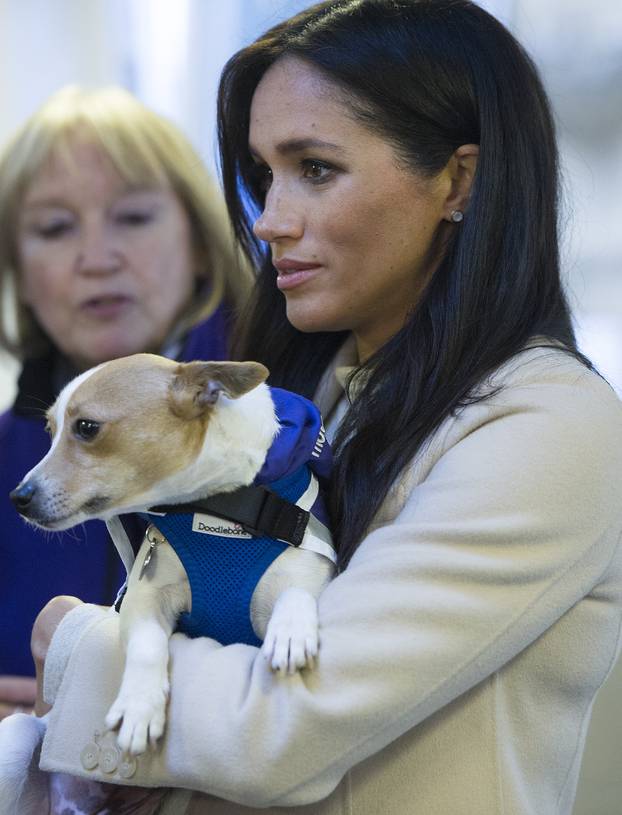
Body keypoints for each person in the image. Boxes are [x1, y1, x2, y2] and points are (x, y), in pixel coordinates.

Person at [4, 1, 622, 813]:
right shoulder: (314, 398)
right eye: (263, 176)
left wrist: (77, 646)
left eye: (316, 170)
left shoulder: (549, 426)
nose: (269, 220)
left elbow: (285, 720)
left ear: (458, 182)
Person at [0, 85, 252, 717]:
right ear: (20, 273)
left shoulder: (294, 425)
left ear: (200, 242)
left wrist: (69, 715)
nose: (96, 258)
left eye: (133, 218)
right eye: (55, 229)